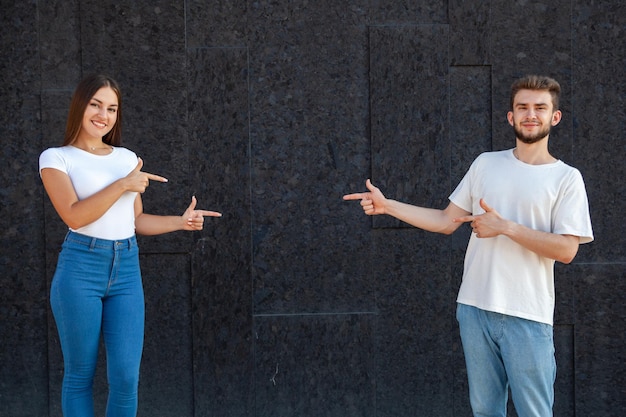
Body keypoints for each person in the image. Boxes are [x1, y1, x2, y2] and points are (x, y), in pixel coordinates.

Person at [343, 75, 593, 417]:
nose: (530, 114)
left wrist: (505, 227)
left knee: (535, 412)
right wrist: (389, 206)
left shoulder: (566, 179)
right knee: (484, 410)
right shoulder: (485, 164)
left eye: (540, 108)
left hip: (528, 315)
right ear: (510, 116)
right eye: (522, 107)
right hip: (474, 310)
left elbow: (567, 250)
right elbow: (447, 221)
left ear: (555, 117)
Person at [39, 74, 222, 417]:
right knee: (80, 375)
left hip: (125, 269)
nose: (102, 115)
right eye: (95, 104)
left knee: (125, 378)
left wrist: (180, 222)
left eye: (111, 108)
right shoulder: (56, 158)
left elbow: (135, 222)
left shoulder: (126, 158)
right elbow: (75, 217)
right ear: (80, 105)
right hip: (80, 268)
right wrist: (123, 184)